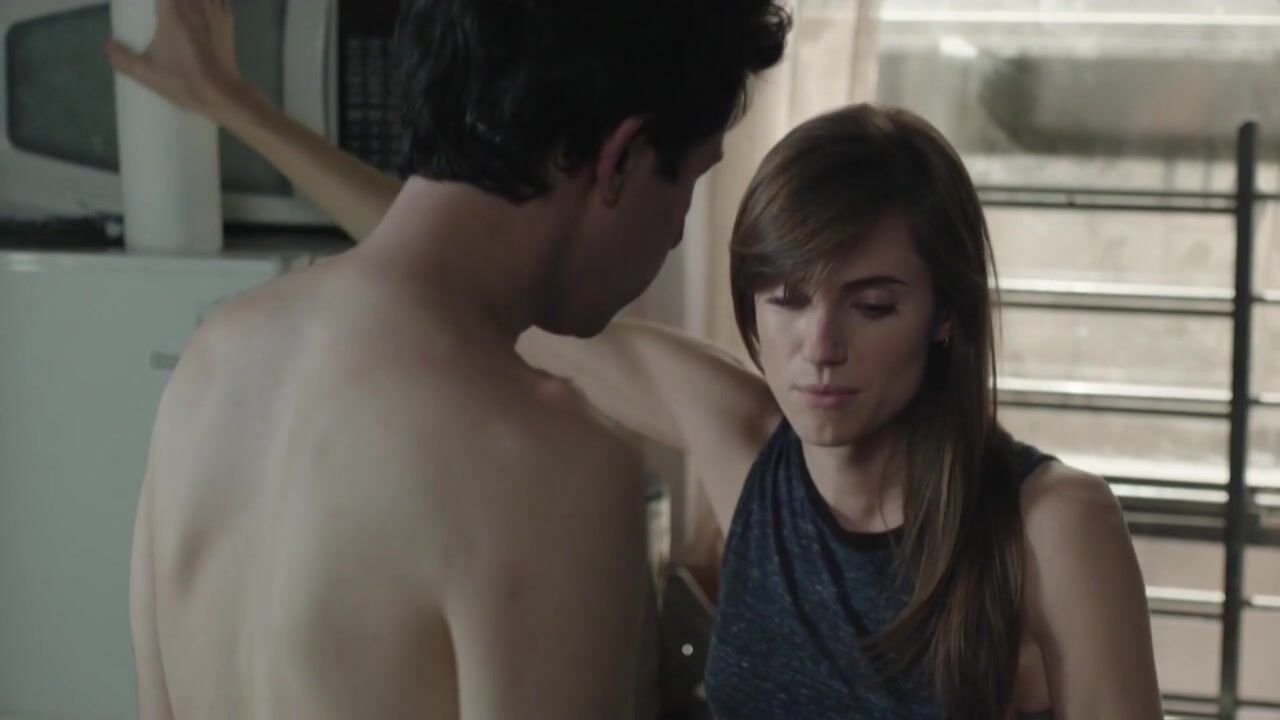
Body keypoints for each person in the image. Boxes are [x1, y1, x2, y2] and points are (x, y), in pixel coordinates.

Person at [110, 6, 1165, 720]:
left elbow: (447, 252)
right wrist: (241, 112)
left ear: (943, 315)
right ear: (621, 161)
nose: (820, 345)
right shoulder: (692, 448)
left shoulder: (214, 360)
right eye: (785, 298)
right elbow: (449, 260)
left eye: (873, 303)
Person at [107, 0, 788, 717]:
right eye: (690, 183)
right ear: (622, 159)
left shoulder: (214, 360)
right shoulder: (547, 464)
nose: (678, 232)